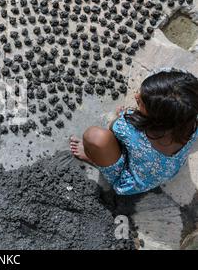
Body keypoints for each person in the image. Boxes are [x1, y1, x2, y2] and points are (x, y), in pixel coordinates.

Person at [70, 69, 198, 195]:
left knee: (95, 137)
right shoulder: (190, 115)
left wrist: (123, 116)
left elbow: (113, 126)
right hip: (167, 169)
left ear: (156, 119)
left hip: (131, 183)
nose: (136, 96)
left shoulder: (128, 129)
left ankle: (93, 159)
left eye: (141, 102)